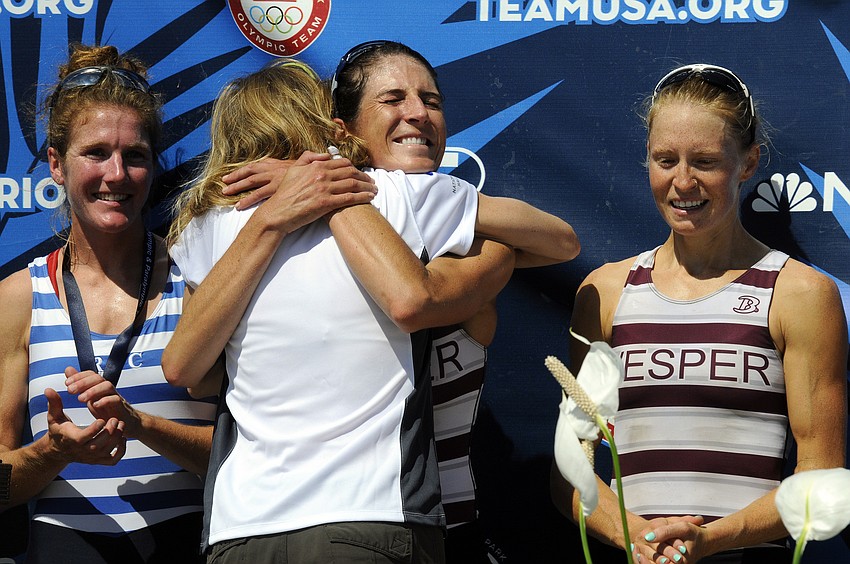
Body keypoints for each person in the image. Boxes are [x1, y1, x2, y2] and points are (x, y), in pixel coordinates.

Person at [163, 55, 578, 563]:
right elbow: (560, 242)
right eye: (394, 99)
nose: (418, 113)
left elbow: (193, 375)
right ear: (330, 125)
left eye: (430, 100)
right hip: (371, 515)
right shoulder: (395, 193)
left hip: (241, 528)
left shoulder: (205, 227)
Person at [551, 63, 847, 564]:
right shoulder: (603, 291)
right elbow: (569, 476)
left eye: (705, 161)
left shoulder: (799, 292)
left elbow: (820, 474)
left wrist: (710, 539)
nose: (682, 181)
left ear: (748, 162)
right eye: (665, 159)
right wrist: (634, 538)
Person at [0, 44, 217, 563]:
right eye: (96, 153)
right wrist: (54, 452)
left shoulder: (200, 280)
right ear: (55, 163)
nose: (117, 175)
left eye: (135, 156)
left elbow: (254, 453)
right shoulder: (16, 299)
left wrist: (144, 427)